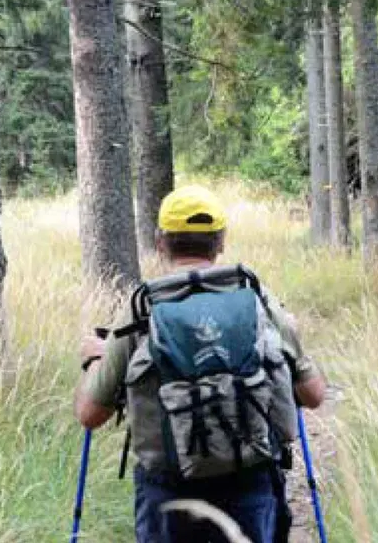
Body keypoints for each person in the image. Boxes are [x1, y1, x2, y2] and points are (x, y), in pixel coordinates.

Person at [74, 185, 326, 542]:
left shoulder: (142, 308)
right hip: (250, 481)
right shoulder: (256, 298)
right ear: (220, 241)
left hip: (168, 493)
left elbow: (90, 414)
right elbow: (313, 395)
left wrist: (95, 361)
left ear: (161, 242)